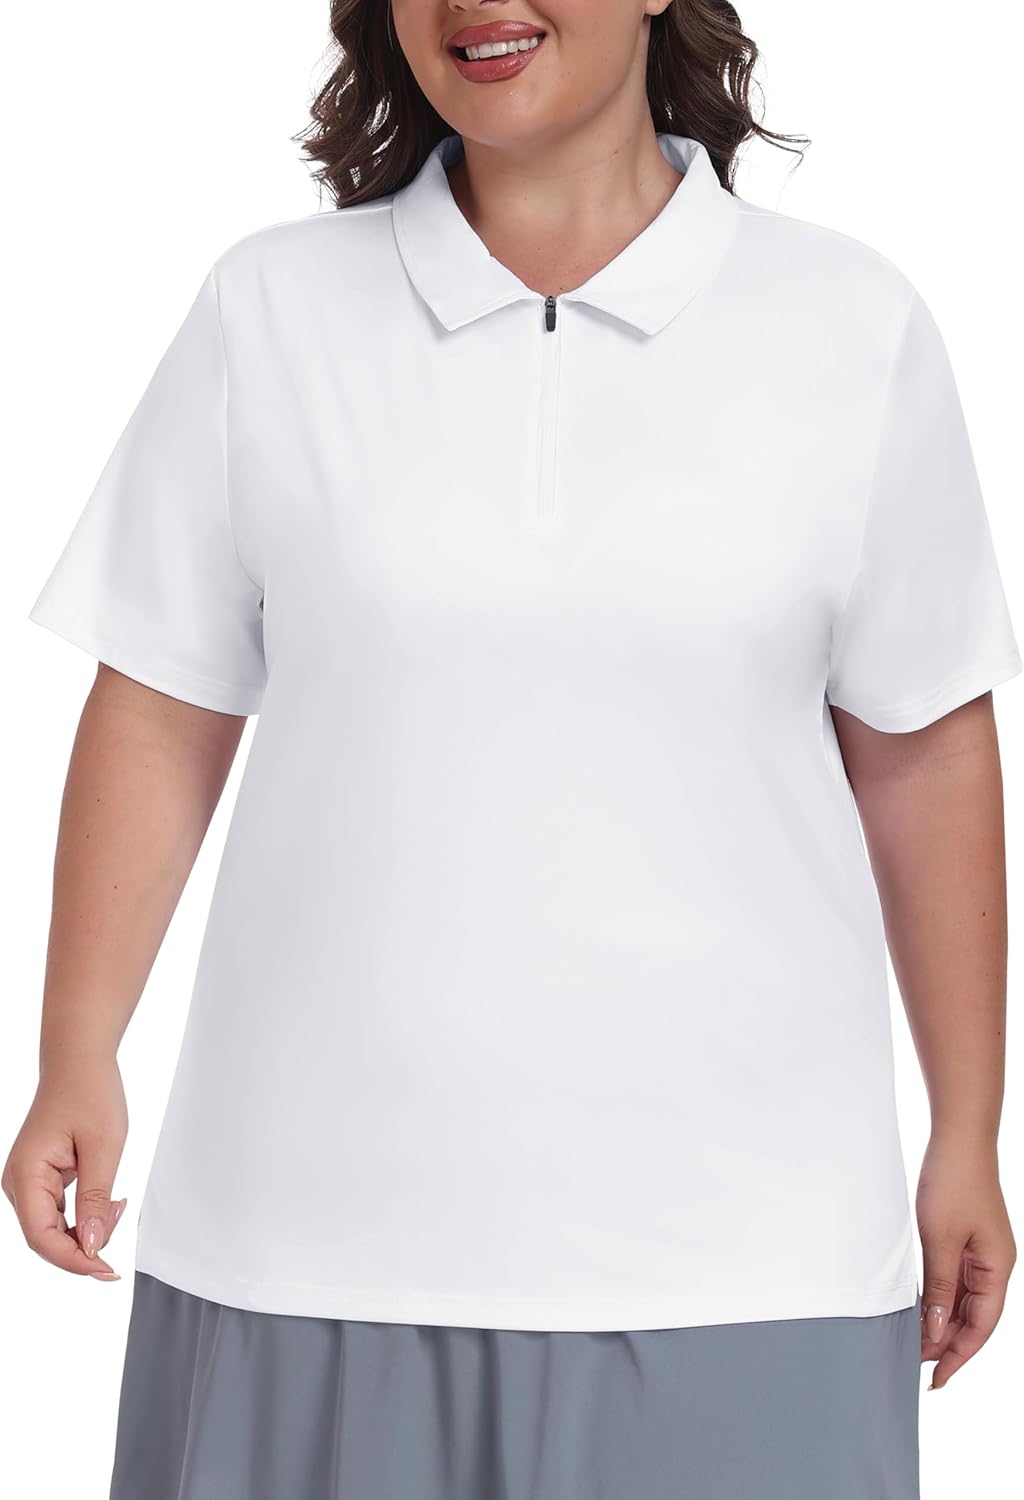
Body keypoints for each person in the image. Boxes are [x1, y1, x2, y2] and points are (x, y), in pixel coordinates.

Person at [4, 3, 1020, 1497]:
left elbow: (927, 750)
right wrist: (75, 1049)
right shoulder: (270, 309)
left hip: (750, 1265)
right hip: (306, 1246)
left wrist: (968, 1131)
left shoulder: (849, 325)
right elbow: (161, 702)